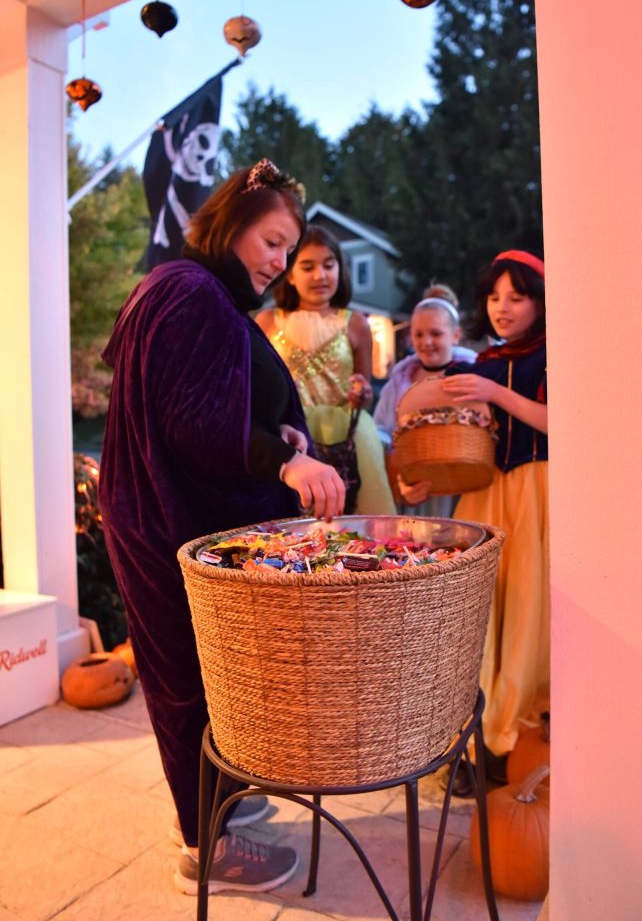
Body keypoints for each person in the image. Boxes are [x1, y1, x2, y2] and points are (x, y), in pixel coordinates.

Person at [98, 159, 345, 897]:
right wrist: (286, 463)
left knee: (210, 674)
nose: (279, 262)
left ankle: (220, 797)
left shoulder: (197, 292)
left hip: (168, 515)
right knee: (185, 679)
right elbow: (194, 421)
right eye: (272, 243)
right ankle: (205, 846)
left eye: (287, 248)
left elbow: (211, 397)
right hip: (164, 522)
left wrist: (280, 433)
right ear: (230, 226)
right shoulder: (189, 291)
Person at [441, 249, 548, 779]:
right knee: (477, 615)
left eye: (518, 296)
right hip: (483, 494)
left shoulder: (552, 354)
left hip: (535, 488)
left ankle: (511, 740)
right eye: (494, 296)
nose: (502, 307)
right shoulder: (479, 364)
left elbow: (561, 421)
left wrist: (493, 392)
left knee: (525, 612)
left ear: (541, 303)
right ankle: (471, 737)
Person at [257, 225, 396, 515]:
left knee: (356, 519)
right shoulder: (268, 322)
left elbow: (364, 393)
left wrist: (361, 394)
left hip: (347, 439)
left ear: (340, 270)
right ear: (290, 273)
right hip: (290, 435)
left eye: (329, 265)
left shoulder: (356, 323)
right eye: (308, 267)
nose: (320, 275)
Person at [373, 293, 476, 517]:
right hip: (414, 484)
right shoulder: (399, 382)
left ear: (455, 335)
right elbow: (382, 429)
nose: (426, 342)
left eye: (436, 334)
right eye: (419, 334)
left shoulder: (470, 378)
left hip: (460, 485)